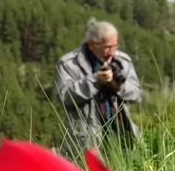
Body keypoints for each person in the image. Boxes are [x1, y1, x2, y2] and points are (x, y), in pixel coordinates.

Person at [55, 18, 142, 158]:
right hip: (85, 138)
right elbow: (64, 96)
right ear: (91, 45)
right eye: (107, 47)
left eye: (115, 46)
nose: (112, 52)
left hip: (121, 134)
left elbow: (137, 93)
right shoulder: (69, 63)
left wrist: (119, 87)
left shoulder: (122, 60)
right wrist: (94, 81)